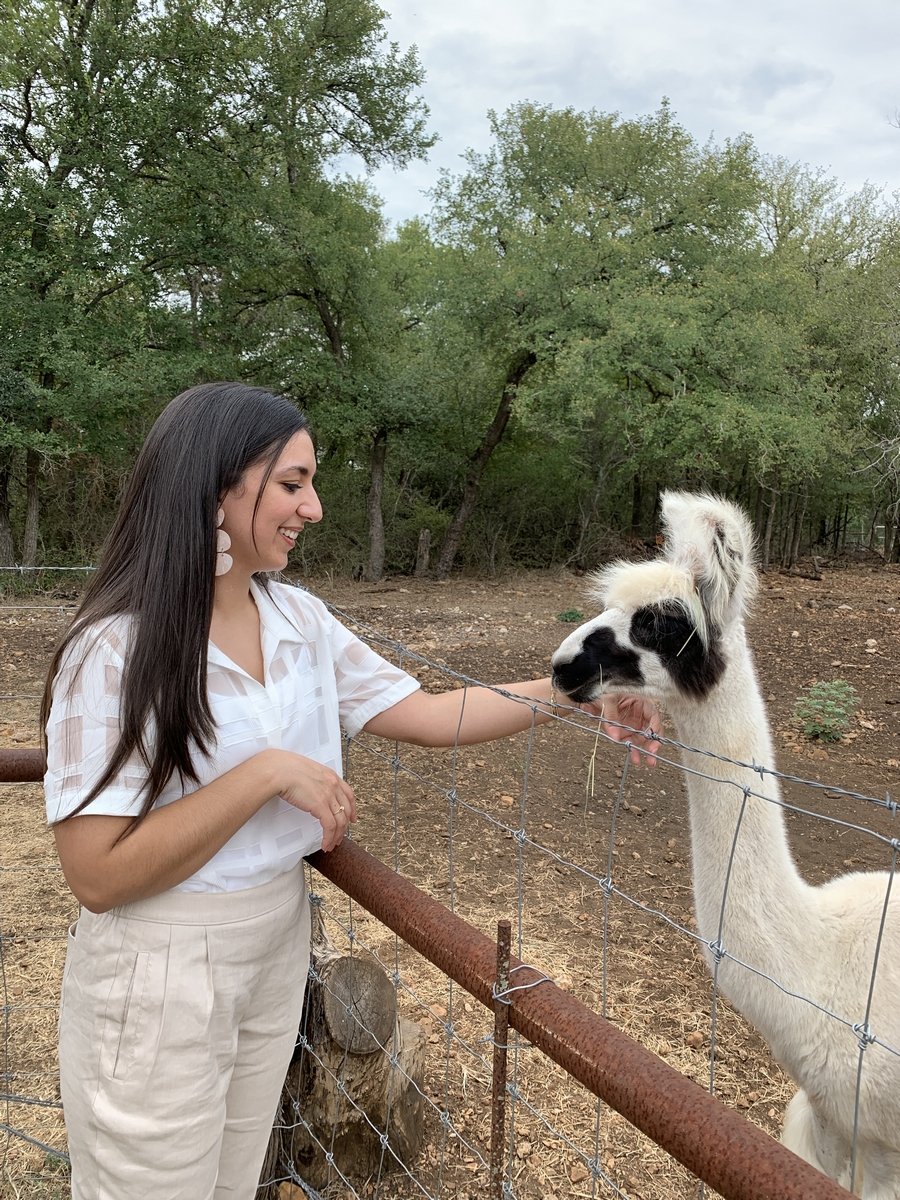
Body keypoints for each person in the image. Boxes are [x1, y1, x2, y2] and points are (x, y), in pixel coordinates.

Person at [42, 382, 660, 1200]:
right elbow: (96, 873)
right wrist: (264, 774)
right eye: (292, 484)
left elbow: (432, 714)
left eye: (311, 483)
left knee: (229, 1185)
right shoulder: (113, 649)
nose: (317, 507)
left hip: (274, 938)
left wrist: (586, 683)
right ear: (216, 487)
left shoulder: (297, 618)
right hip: (159, 966)